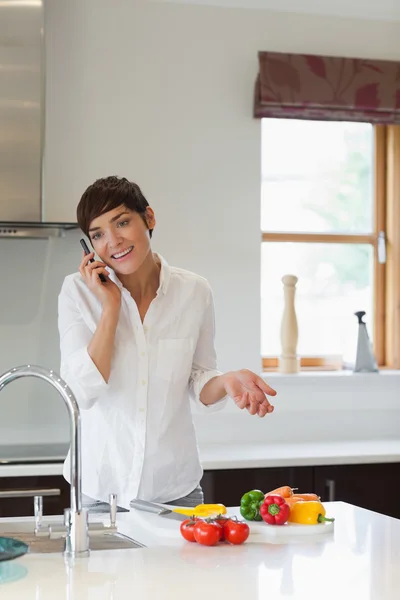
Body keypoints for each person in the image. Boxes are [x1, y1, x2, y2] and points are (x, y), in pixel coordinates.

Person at [58, 176, 277, 512]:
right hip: (101, 492)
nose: (113, 241)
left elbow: (198, 378)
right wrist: (111, 307)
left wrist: (226, 381)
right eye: (98, 234)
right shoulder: (77, 293)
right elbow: (83, 391)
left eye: (122, 222)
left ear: (149, 218)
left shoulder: (195, 291)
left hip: (176, 492)